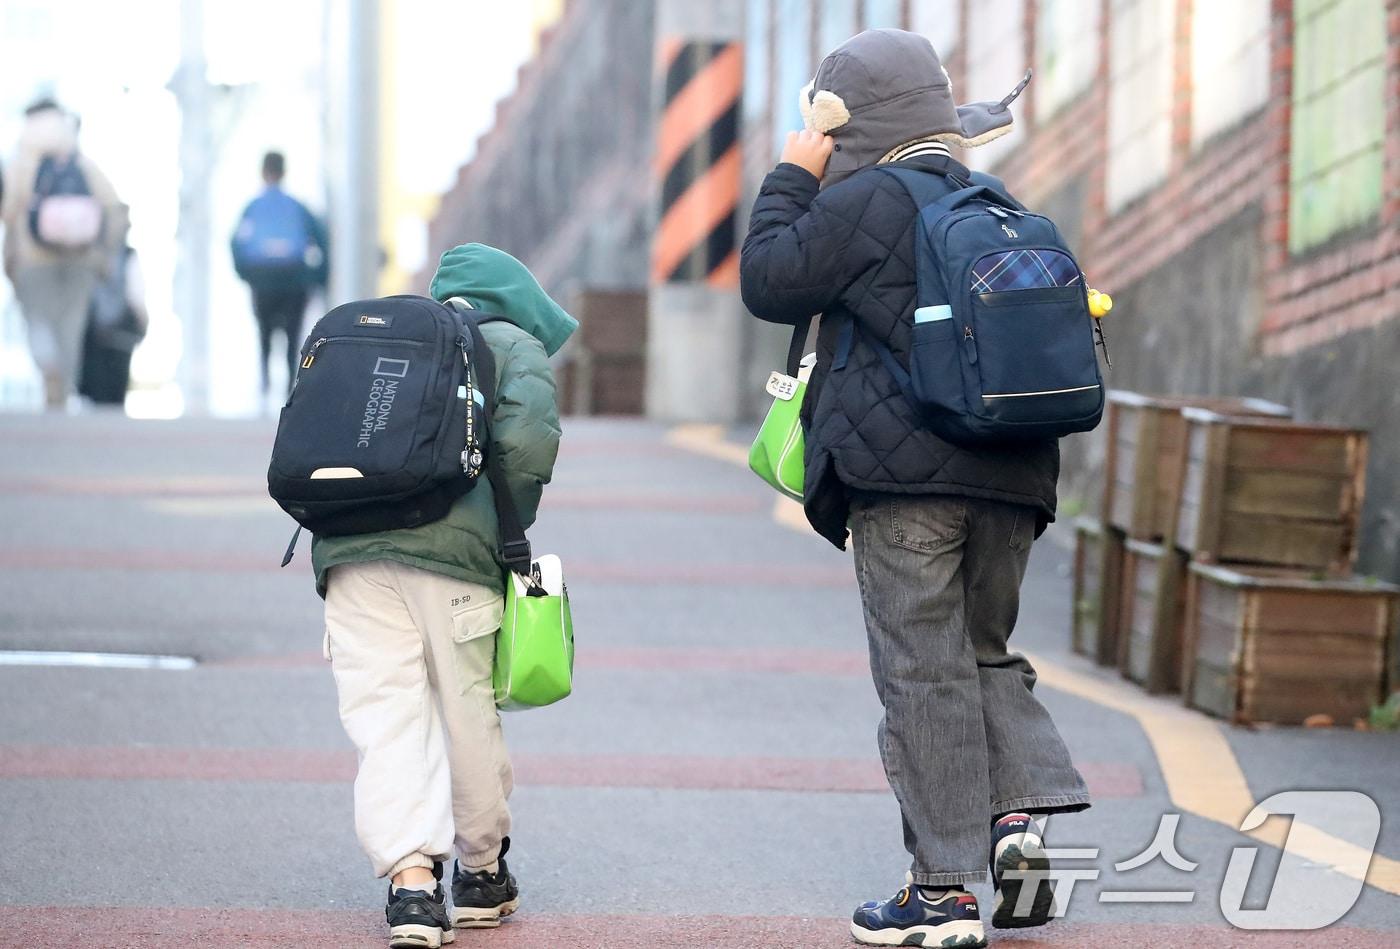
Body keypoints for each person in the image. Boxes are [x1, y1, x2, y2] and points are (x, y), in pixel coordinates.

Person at [740, 30, 1090, 948]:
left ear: (846, 123)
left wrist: (792, 170)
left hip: (907, 484)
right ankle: (1014, 822)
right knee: (984, 650)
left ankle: (941, 893)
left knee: (922, 672)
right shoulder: (996, 199)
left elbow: (770, 278)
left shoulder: (864, 199)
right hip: (1015, 476)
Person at [313, 243, 576, 949]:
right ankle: (482, 873)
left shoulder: (383, 344)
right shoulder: (513, 344)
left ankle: (411, 887)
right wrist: (498, 529)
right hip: (453, 565)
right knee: (463, 711)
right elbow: (524, 451)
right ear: (519, 301)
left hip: (349, 553)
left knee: (387, 716)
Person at [1, 98, 123, 409]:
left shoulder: (21, 165)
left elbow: (9, 213)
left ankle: (49, 368)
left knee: (38, 321)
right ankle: (61, 393)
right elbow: (114, 207)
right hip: (80, 260)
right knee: (71, 326)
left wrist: (11, 255)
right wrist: (103, 252)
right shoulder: (80, 162)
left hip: (32, 262)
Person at [230, 151, 328, 398]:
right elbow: (322, 241)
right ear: (284, 172)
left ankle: (264, 383)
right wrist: (317, 277)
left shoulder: (253, 208)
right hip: (294, 280)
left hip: (262, 281)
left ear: (263, 172)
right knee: (293, 335)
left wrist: (246, 274)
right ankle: (289, 386)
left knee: (264, 333)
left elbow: (235, 243)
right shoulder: (298, 207)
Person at [78, 204, 148, 406]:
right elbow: (136, 294)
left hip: (94, 333)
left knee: (94, 395)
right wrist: (144, 322)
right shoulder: (128, 255)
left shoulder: (88, 253)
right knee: (115, 396)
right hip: (121, 333)